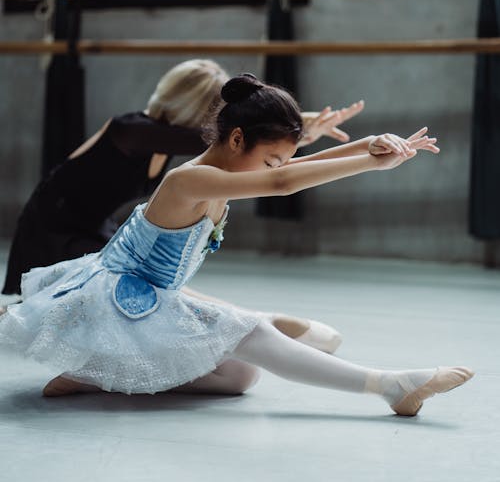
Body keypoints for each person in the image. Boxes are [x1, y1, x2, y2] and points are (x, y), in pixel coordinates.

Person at [0, 74, 473, 416]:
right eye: (267, 159)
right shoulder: (188, 180)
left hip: (152, 301)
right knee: (251, 337)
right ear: (237, 138)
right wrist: (368, 164)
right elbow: (285, 182)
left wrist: (369, 144)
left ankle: (94, 372)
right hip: (118, 302)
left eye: (277, 161)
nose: (272, 169)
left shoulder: (226, 173)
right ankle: (389, 385)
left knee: (239, 377)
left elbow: (290, 168)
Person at [1, 59, 363, 353]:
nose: (219, 115)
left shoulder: (171, 146)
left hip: (95, 226)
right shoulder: (133, 129)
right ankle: (260, 323)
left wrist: (292, 133)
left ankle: (257, 324)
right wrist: (297, 128)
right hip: (52, 227)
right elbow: (233, 138)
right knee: (77, 304)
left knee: (154, 295)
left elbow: (243, 143)